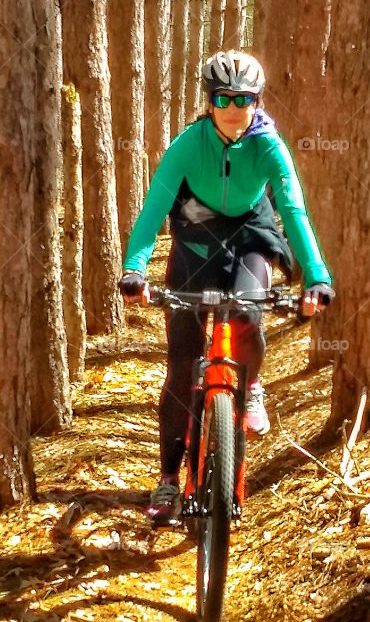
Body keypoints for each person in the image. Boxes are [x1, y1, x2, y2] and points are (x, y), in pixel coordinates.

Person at [119, 50, 334, 522]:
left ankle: (251, 383)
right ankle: (169, 480)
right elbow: (154, 207)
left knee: (246, 312)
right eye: (224, 98)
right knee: (179, 367)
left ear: (257, 101)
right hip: (195, 247)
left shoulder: (269, 146)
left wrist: (317, 275)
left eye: (245, 99)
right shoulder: (187, 145)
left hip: (250, 239)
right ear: (209, 102)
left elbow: (293, 210)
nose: (235, 108)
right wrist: (135, 268)